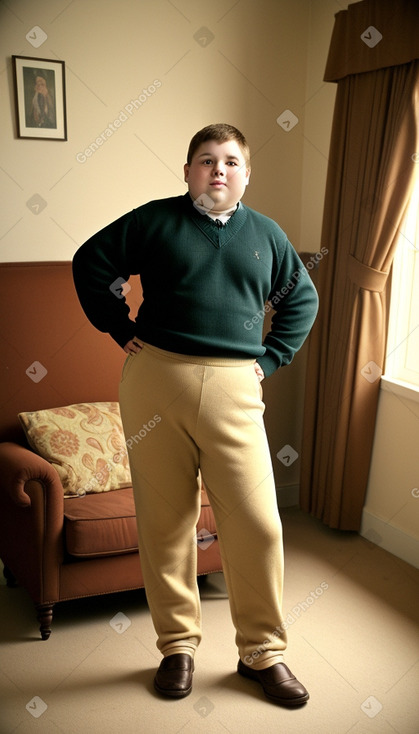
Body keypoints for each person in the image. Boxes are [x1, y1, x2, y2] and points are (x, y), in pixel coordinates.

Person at [72, 123, 319, 707]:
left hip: (237, 386)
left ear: (246, 175)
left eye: (230, 161)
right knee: (166, 520)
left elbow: (301, 298)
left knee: (258, 522)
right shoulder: (154, 221)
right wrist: (118, 327)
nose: (218, 170)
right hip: (157, 379)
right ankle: (176, 646)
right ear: (187, 171)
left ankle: (263, 653)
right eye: (206, 160)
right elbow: (90, 262)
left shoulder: (267, 235)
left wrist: (272, 357)